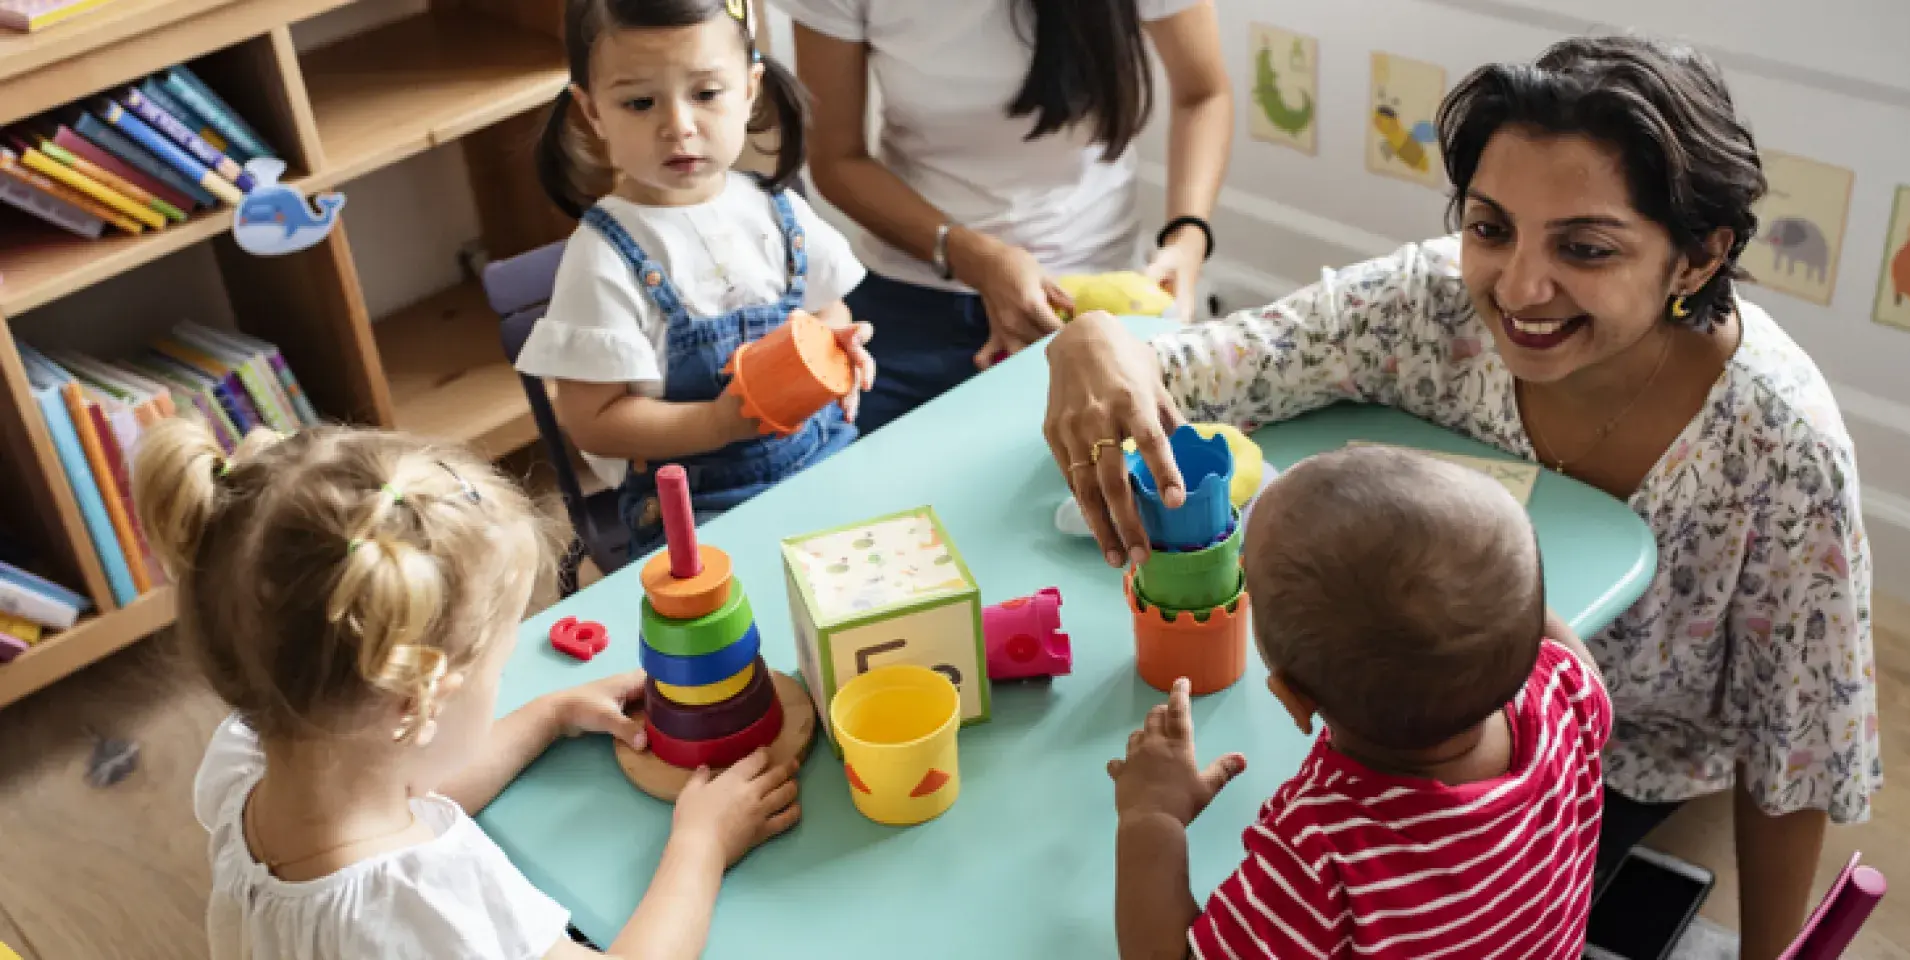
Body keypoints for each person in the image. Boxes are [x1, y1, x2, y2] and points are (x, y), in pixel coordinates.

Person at [1046, 36, 1877, 960]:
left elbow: (1796, 747)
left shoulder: (1780, 445)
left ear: (1697, 256)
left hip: (1620, 767)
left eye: (1586, 246)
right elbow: (1206, 369)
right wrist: (1097, 341)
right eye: (1489, 227)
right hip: (1406, 717)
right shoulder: (1425, 306)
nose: (1519, 288)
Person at [132, 419, 801, 959]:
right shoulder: (427, 907)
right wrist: (700, 846)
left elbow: (406, 791)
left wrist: (549, 714)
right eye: (498, 667)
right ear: (417, 703)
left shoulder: (249, 764)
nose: (504, 682)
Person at [1110, 446, 1612, 958]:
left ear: (1295, 699)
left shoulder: (1322, 857)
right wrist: (1485, 588)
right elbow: (1552, 643)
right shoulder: (1566, 694)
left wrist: (1152, 818)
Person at [521, 0, 877, 557]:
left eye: (706, 94)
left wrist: (836, 348)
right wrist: (717, 424)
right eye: (639, 103)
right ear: (592, 113)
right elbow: (593, 421)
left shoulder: (774, 208)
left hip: (824, 452)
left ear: (750, 87)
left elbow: (829, 309)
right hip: (700, 509)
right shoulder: (603, 258)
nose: (678, 127)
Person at [776, 0, 1232, 433]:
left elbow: (1203, 94)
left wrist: (1187, 241)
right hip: (913, 293)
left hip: (1093, 294)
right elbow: (837, 159)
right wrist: (972, 255)